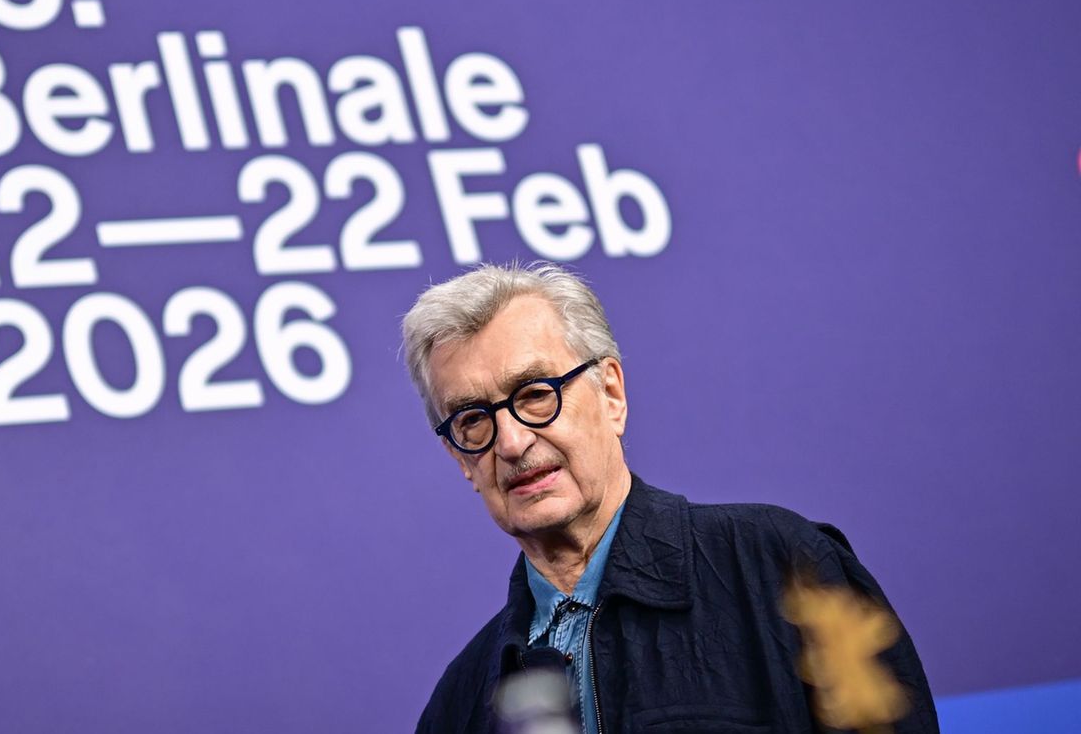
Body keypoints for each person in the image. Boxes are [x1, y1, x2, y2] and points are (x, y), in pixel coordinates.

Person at [401, 262, 937, 734]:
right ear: (460, 458)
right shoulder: (461, 702)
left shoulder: (783, 570)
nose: (513, 443)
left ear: (611, 394)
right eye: (473, 420)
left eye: (537, 395)